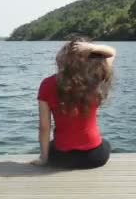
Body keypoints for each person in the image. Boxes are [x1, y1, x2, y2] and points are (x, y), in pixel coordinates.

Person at [31, 38, 116, 169]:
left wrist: (43, 158)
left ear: (63, 59)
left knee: (54, 145)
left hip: (61, 158)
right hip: (94, 157)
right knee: (105, 144)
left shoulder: (47, 84)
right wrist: (91, 48)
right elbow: (112, 52)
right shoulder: (95, 78)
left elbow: (44, 127)